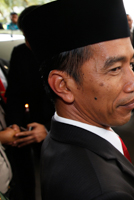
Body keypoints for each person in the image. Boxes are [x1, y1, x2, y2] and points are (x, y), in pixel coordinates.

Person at [23, 0, 134, 199]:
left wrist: (133, 184)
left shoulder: (58, 136)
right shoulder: (105, 193)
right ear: (63, 85)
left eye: (131, 64)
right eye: (114, 69)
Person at [5, 6, 55, 200]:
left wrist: (50, 130)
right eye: (25, 35)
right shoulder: (20, 53)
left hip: (61, 130)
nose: (28, 42)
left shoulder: (63, 52)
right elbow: (15, 95)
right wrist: (15, 125)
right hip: (30, 126)